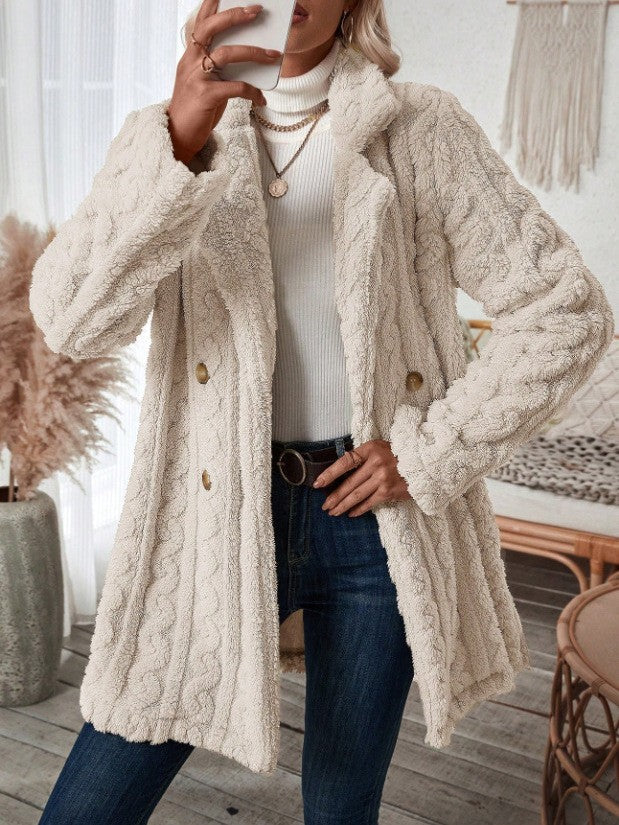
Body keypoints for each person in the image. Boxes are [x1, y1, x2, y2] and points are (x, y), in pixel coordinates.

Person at [32, 0, 614, 822]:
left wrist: (428, 451)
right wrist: (179, 141)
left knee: (341, 805)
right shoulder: (165, 136)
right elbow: (73, 322)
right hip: (211, 512)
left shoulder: (420, 128)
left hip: (372, 523)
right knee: (91, 800)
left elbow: (565, 309)